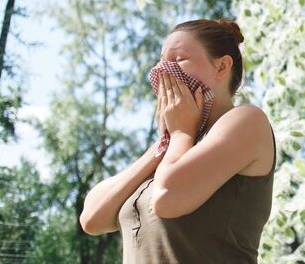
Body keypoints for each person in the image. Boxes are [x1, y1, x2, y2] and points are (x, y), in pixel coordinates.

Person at [79, 18, 276, 263]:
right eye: (162, 61)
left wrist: (181, 133)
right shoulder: (174, 147)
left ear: (222, 67)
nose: (163, 71)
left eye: (178, 59)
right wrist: (164, 144)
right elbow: (92, 219)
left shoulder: (247, 121)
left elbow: (166, 198)